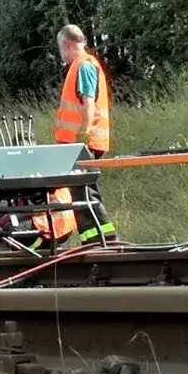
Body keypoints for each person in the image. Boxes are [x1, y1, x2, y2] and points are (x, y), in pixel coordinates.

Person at [31, 24, 119, 246]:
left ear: (65, 44)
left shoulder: (83, 66)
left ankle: (104, 240)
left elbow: (88, 103)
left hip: (81, 143)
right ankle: (96, 240)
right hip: (79, 143)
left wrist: (83, 137)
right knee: (82, 193)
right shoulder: (85, 65)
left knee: (85, 194)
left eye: (60, 48)